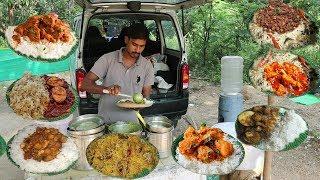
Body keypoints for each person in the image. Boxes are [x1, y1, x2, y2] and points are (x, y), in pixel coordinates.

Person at [81, 23, 154, 123]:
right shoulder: (107, 59)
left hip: (132, 124)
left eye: (141, 46)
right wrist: (105, 89)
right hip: (106, 121)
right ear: (126, 40)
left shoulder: (147, 65)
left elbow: (146, 95)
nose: (137, 50)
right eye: (134, 44)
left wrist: (139, 106)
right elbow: (85, 84)